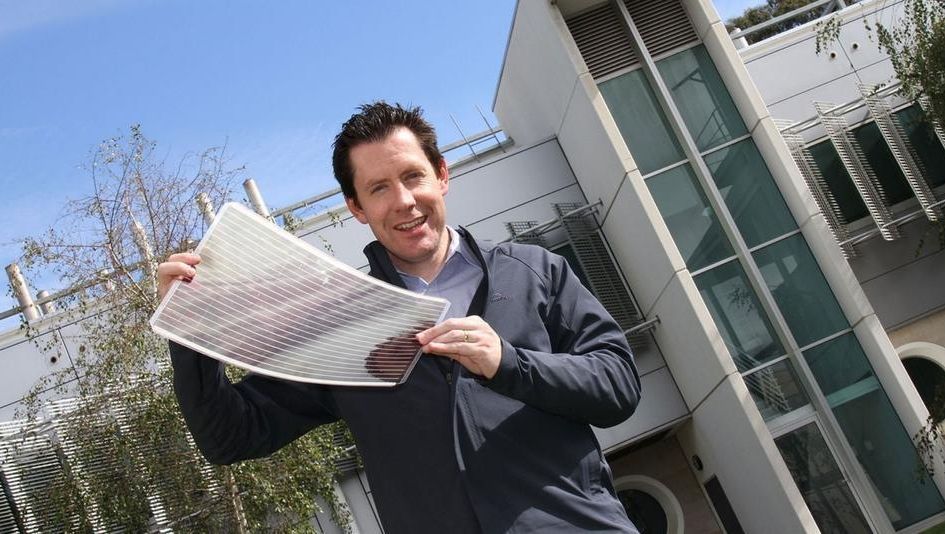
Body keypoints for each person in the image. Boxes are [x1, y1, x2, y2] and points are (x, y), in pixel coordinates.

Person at [159, 102, 642, 533]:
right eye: (379, 188)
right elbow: (230, 436)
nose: (404, 201)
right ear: (357, 207)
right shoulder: (342, 325)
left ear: (441, 175)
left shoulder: (535, 270)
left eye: (413, 176)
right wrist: (191, 327)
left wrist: (509, 363)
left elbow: (618, 385)